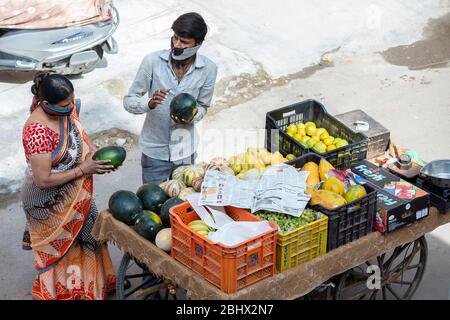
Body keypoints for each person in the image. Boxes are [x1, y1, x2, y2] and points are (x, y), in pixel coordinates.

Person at [21, 72, 116, 300]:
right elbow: (43, 180)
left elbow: (78, 130)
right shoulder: (37, 132)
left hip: (76, 193)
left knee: (88, 237)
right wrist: (84, 169)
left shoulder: (63, 108)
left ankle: (89, 287)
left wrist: (92, 150)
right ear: (45, 104)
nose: (71, 107)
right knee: (63, 249)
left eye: (72, 101)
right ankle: (63, 292)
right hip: (48, 202)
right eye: (66, 104)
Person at [124, 12, 218, 185]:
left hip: (185, 150)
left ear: (198, 44)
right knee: (154, 203)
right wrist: (149, 103)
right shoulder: (152, 61)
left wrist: (192, 116)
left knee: (182, 200)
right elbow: (129, 100)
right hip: (154, 151)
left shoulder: (209, 69)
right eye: (175, 38)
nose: (176, 44)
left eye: (183, 42)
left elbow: (203, 105)